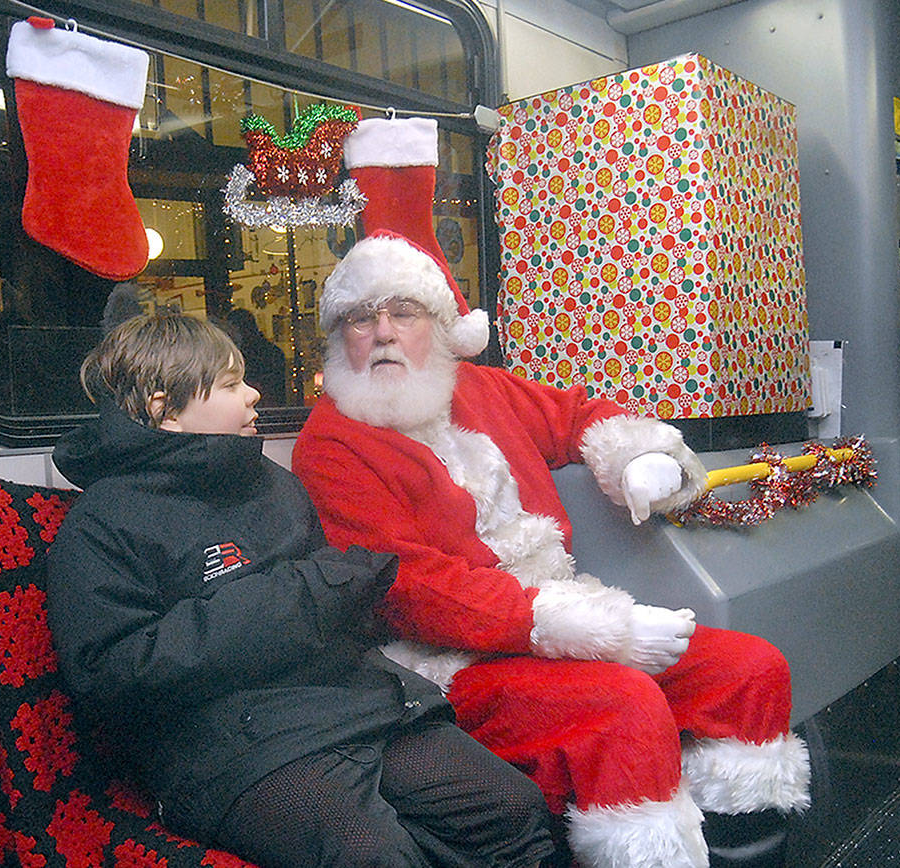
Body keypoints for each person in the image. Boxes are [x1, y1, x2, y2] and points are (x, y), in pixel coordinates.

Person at [292, 117, 811, 868]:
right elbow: (405, 588)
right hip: (441, 662)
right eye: (358, 319)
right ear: (339, 339)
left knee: (751, 669)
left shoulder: (480, 387)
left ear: (438, 327)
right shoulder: (331, 442)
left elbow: (576, 415)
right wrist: (576, 623)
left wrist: (638, 456)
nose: (380, 333)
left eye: (401, 313)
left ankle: (739, 846)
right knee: (625, 708)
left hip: (561, 616)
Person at [46, 312, 555, 868]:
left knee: (513, 810)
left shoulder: (274, 484)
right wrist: (288, 601)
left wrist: (348, 595)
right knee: (375, 856)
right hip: (231, 747)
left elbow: (326, 605)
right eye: (231, 384)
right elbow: (111, 673)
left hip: (346, 703)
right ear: (165, 410)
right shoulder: (103, 523)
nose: (254, 393)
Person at [226, 306, 289, 405]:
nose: (230, 335)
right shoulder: (274, 352)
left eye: (231, 330)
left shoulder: (247, 355)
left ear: (240, 328)